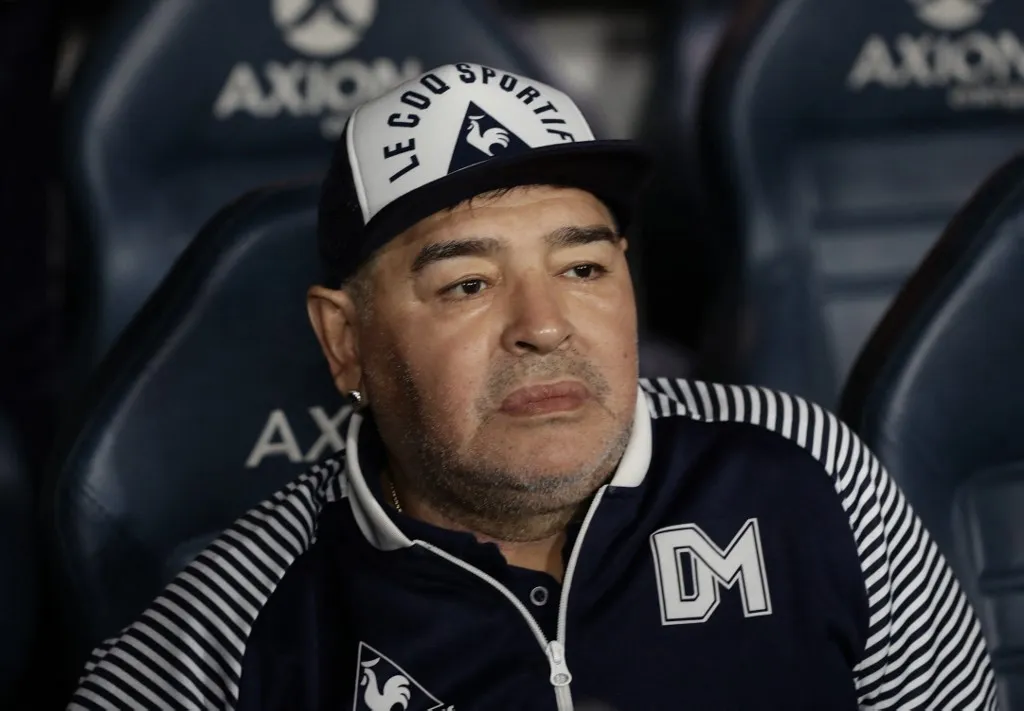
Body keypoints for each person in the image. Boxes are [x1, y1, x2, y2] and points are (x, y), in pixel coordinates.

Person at [67, 63, 997, 711]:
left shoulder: (804, 470)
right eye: (467, 284)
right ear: (345, 342)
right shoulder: (224, 634)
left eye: (583, 268)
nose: (544, 325)